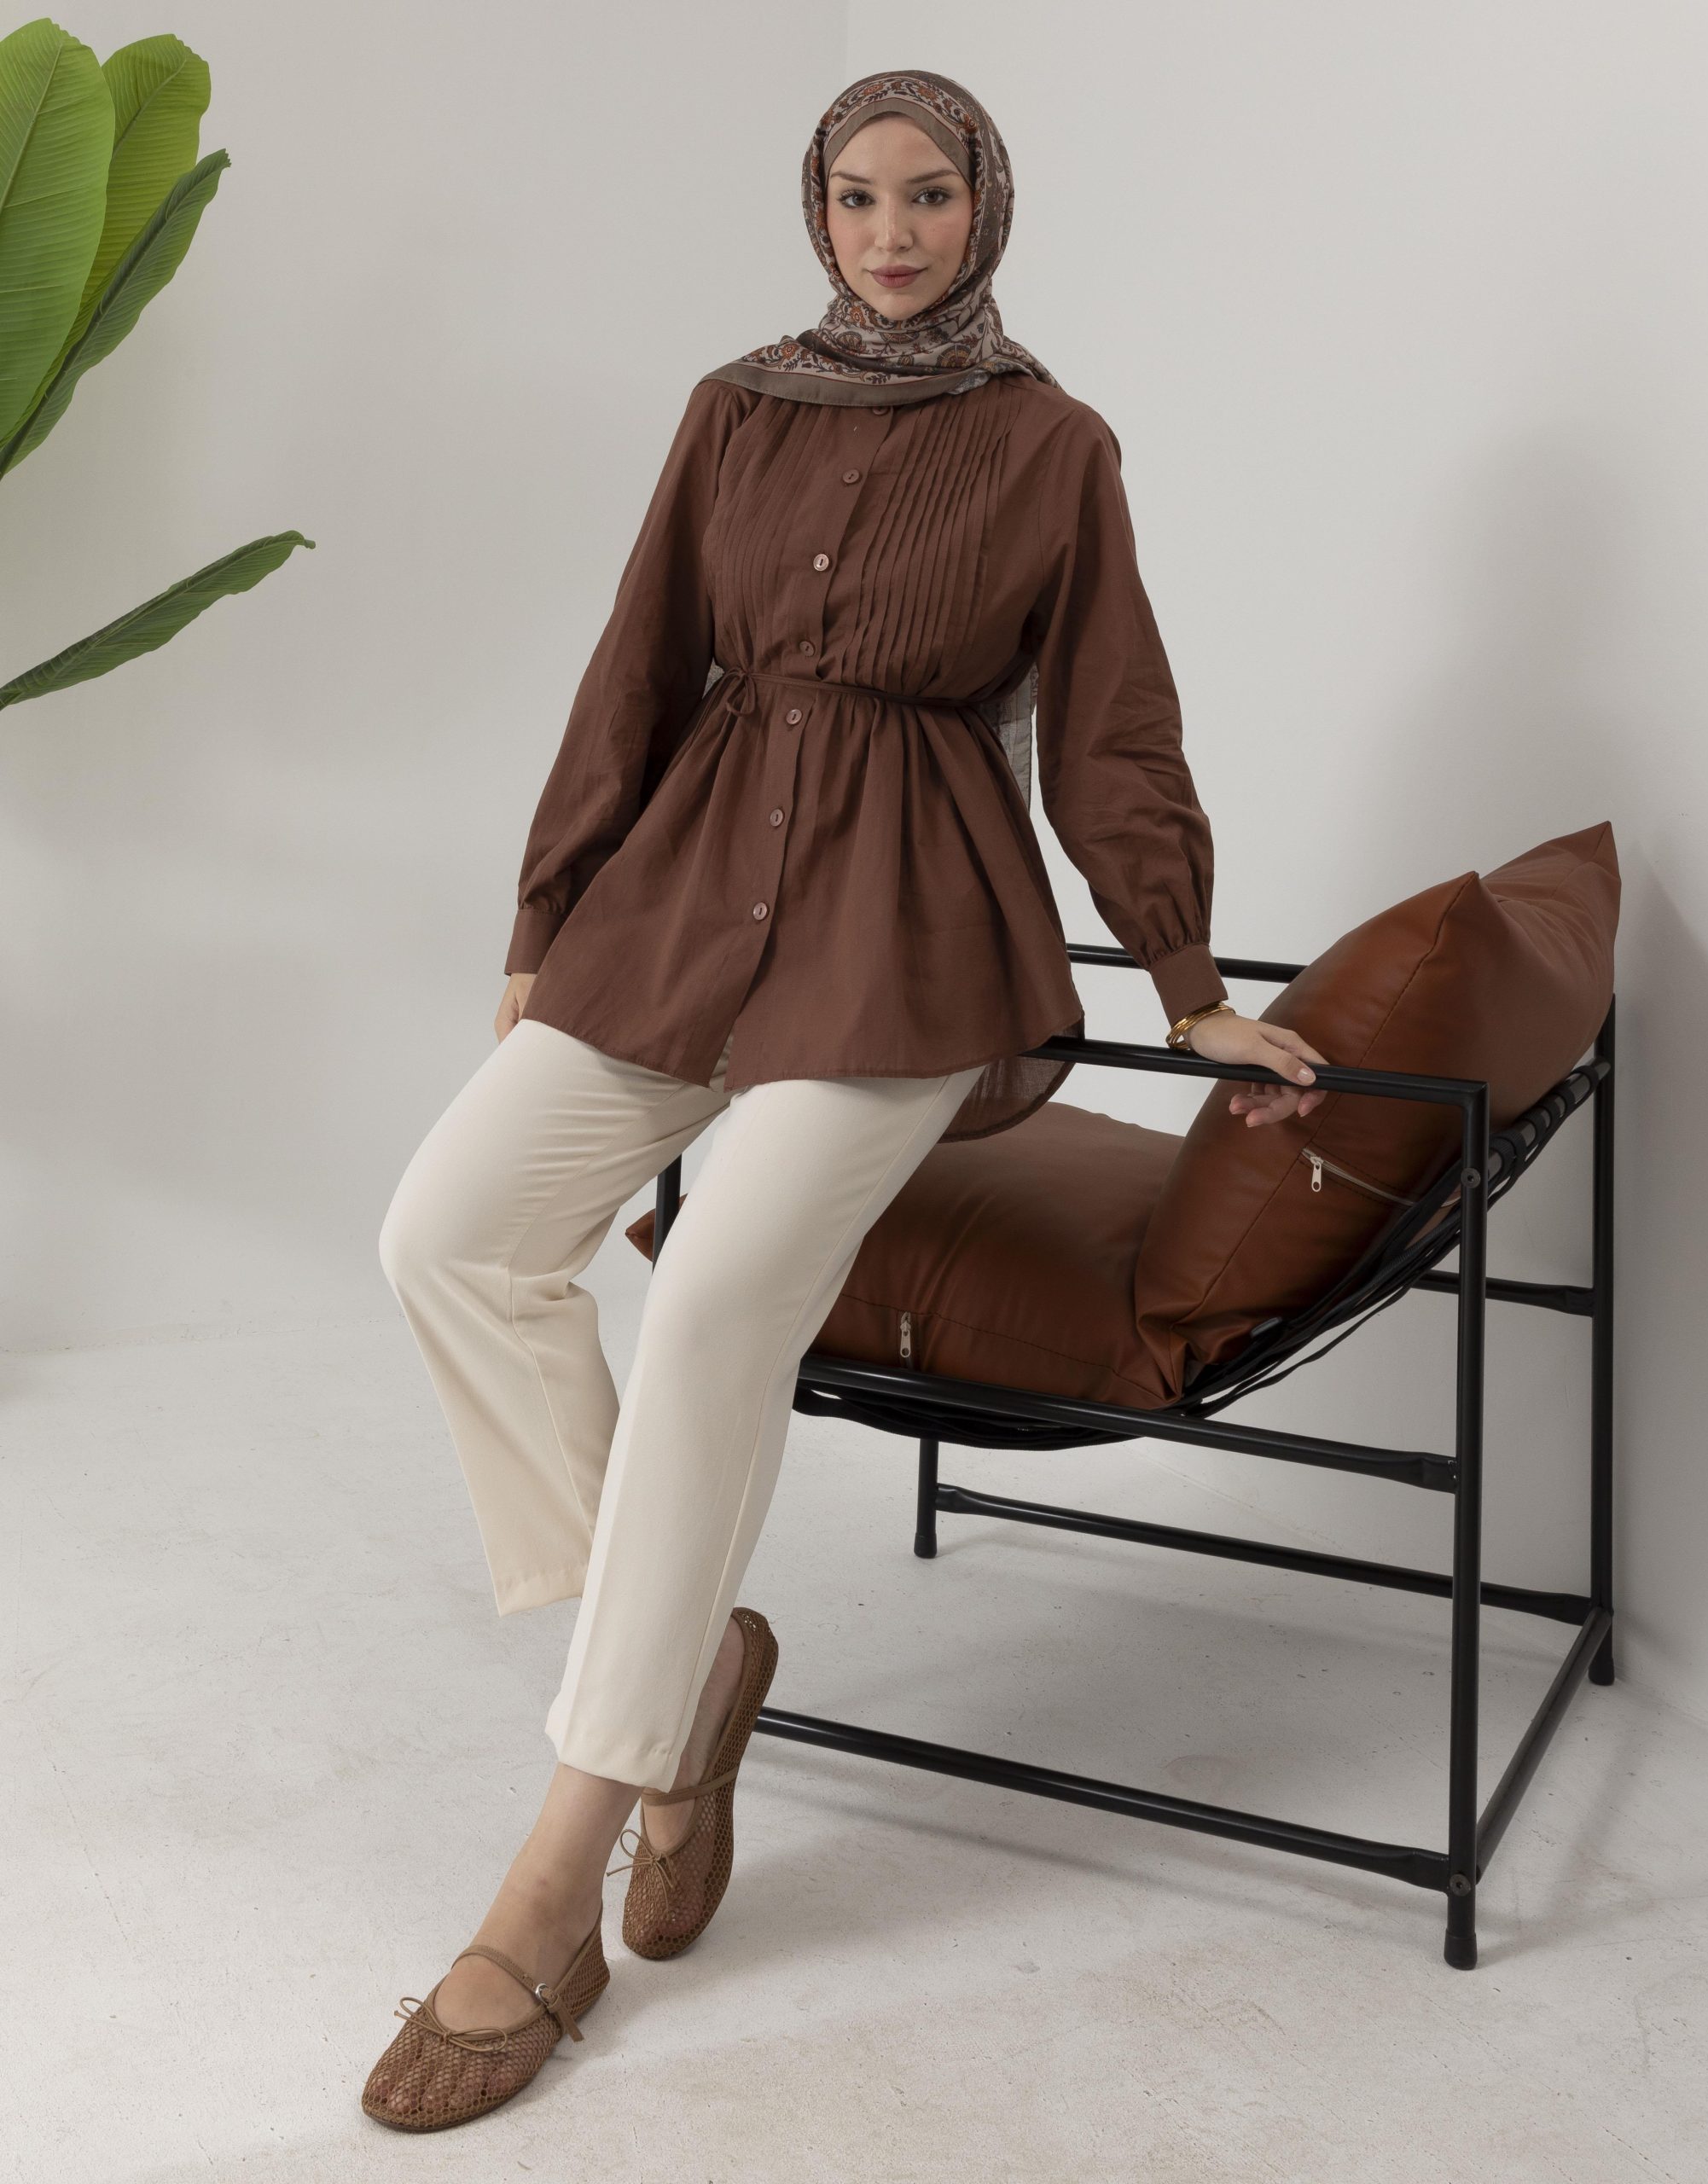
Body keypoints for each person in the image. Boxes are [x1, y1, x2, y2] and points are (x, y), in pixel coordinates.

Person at [360, 66, 1328, 2134]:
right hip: (684, 893)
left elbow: (1114, 725)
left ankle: (555, 1870)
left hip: (904, 933)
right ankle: (694, 1659)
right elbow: (636, 665)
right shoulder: (735, 407)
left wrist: (1183, 977)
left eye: (929, 195)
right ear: (816, 213)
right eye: (857, 197)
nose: (892, 234)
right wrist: (549, 906)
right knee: (447, 1234)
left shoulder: (1053, 444)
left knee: (714, 1299)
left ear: (989, 208)